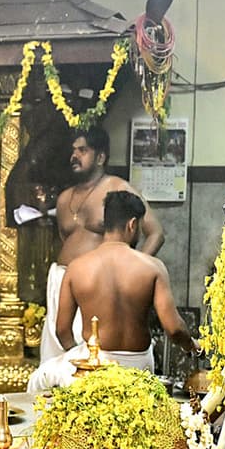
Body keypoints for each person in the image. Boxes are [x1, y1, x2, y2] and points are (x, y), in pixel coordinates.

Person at [27, 191, 196, 392]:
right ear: (132, 224)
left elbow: (62, 330)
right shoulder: (153, 267)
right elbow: (174, 329)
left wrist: (82, 362)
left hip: (93, 367)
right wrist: (191, 345)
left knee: (38, 380)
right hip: (138, 367)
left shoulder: (76, 268)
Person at [41, 128, 165, 363]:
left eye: (82, 150)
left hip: (96, 283)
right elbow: (65, 240)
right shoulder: (64, 198)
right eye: (73, 150)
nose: (74, 156)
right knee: (57, 355)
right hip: (62, 280)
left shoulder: (117, 187)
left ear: (100, 157)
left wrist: (133, 267)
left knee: (97, 354)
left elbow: (155, 233)